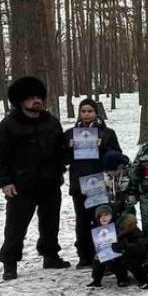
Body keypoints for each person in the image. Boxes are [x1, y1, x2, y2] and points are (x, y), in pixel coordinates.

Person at [0, 76, 69, 280]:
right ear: (20, 101)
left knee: (51, 222)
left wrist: (71, 154)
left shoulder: (51, 122)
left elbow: (61, 150)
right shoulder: (8, 125)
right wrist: (5, 182)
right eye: (31, 98)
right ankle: (9, 262)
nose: (36, 101)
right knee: (15, 226)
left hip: (50, 182)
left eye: (38, 97)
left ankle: (50, 255)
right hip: (21, 184)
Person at [63, 97, 123, 268]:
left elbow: (116, 156)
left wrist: (102, 148)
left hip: (99, 182)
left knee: (102, 219)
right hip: (78, 183)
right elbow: (63, 159)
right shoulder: (70, 134)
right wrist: (69, 148)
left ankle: (106, 255)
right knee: (82, 220)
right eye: (83, 111)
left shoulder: (107, 133)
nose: (86, 114)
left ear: (96, 113)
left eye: (90, 111)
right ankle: (84, 256)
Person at [87, 205, 148, 289]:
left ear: (112, 215)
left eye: (106, 215)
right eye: (100, 216)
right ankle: (120, 278)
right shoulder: (98, 232)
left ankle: (143, 281)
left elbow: (141, 243)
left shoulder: (124, 226)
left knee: (127, 257)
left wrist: (124, 247)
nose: (103, 218)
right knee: (102, 256)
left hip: (133, 253)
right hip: (116, 255)